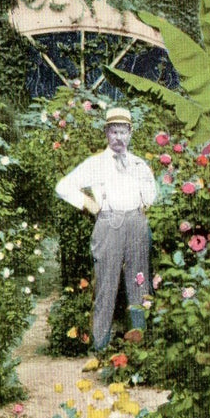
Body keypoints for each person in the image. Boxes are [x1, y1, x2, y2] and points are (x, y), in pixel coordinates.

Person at [55, 107, 157, 351]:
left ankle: (138, 347)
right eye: (114, 132)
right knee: (106, 286)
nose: (119, 137)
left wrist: (143, 205)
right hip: (109, 223)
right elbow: (63, 186)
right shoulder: (96, 164)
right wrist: (90, 204)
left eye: (123, 132)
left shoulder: (139, 163)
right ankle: (100, 347)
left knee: (139, 283)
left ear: (130, 133)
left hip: (136, 224)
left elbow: (151, 192)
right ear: (106, 133)